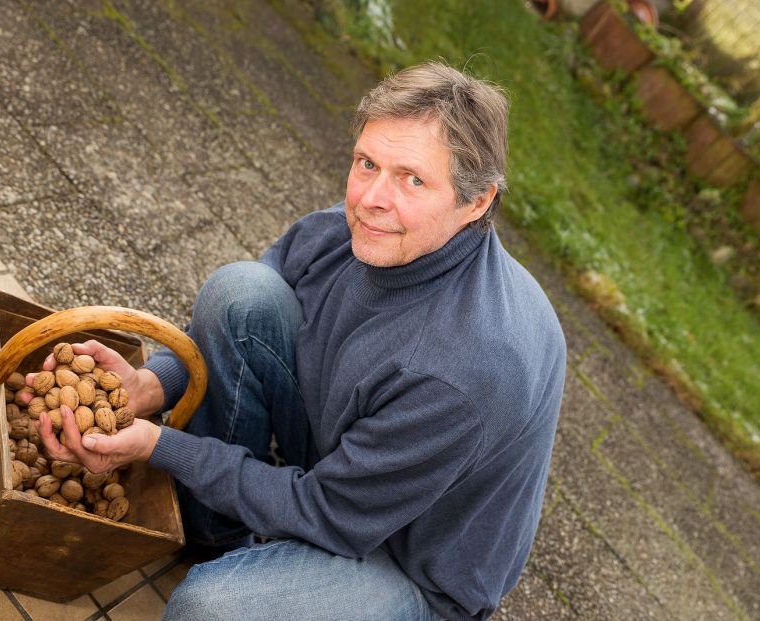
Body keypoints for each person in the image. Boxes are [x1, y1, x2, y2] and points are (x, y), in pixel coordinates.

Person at [31, 61, 566, 620]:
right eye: (367, 163)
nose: (370, 199)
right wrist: (150, 384)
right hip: (353, 466)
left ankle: (259, 557)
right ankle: (214, 530)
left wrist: (159, 447)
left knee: (209, 611)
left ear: (476, 203)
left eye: (413, 179)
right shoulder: (365, 228)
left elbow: (330, 511)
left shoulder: (461, 370)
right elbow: (245, 318)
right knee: (241, 292)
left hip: (411, 562)